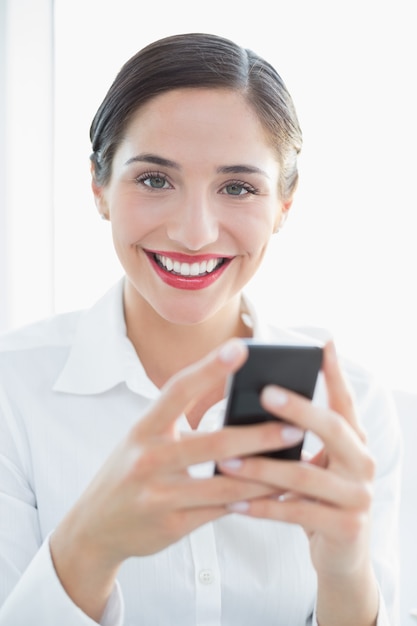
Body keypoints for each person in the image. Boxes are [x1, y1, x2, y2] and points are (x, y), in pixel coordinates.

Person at [0, 32, 402, 626]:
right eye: (154, 180)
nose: (194, 233)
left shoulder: (353, 405)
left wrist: (345, 574)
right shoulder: (14, 389)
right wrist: (89, 545)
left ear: (284, 204)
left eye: (238, 187)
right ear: (99, 188)